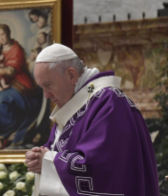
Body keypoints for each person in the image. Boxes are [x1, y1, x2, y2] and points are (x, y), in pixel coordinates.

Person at [25, 44, 159, 196]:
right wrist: (39, 158)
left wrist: (48, 161)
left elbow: (102, 169)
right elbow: (57, 151)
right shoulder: (74, 107)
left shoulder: (109, 103)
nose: (46, 95)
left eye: (48, 85)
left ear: (71, 75)